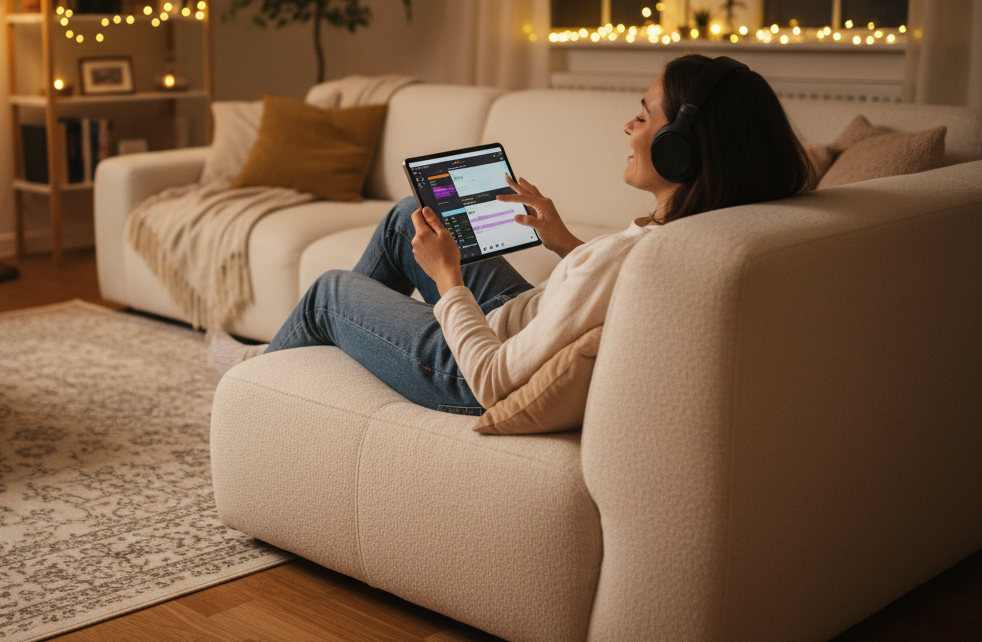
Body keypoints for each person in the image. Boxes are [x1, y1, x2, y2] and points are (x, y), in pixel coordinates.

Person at [209, 54, 813, 414]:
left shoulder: (646, 251)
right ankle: (297, 355)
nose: (627, 125)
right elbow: (617, 289)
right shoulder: (700, 228)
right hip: (519, 316)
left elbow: (494, 380)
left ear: (682, 151)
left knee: (328, 291)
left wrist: (448, 280)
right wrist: (562, 242)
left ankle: (258, 375)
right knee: (405, 220)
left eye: (644, 116)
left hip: (463, 368)